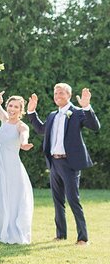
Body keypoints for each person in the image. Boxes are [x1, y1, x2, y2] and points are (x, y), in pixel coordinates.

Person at [27, 84, 100, 245]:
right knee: (57, 200)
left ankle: (83, 238)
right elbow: (40, 129)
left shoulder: (77, 112)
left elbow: (95, 126)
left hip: (70, 163)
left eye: (60, 93)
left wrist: (87, 106)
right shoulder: (53, 115)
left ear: (68, 95)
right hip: (54, 162)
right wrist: (31, 112)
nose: (57, 95)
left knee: (73, 200)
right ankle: (61, 234)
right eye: (55, 93)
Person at [0, 69, 34, 244]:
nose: (12, 109)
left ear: (21, 110)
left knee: (13, 198)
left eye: (16, 107)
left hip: (12, 167)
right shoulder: (4, 120)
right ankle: (1, 231)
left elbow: (24, 135)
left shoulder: (21, 125)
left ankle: (13, 232)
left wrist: (24, 143)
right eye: (10, 106)